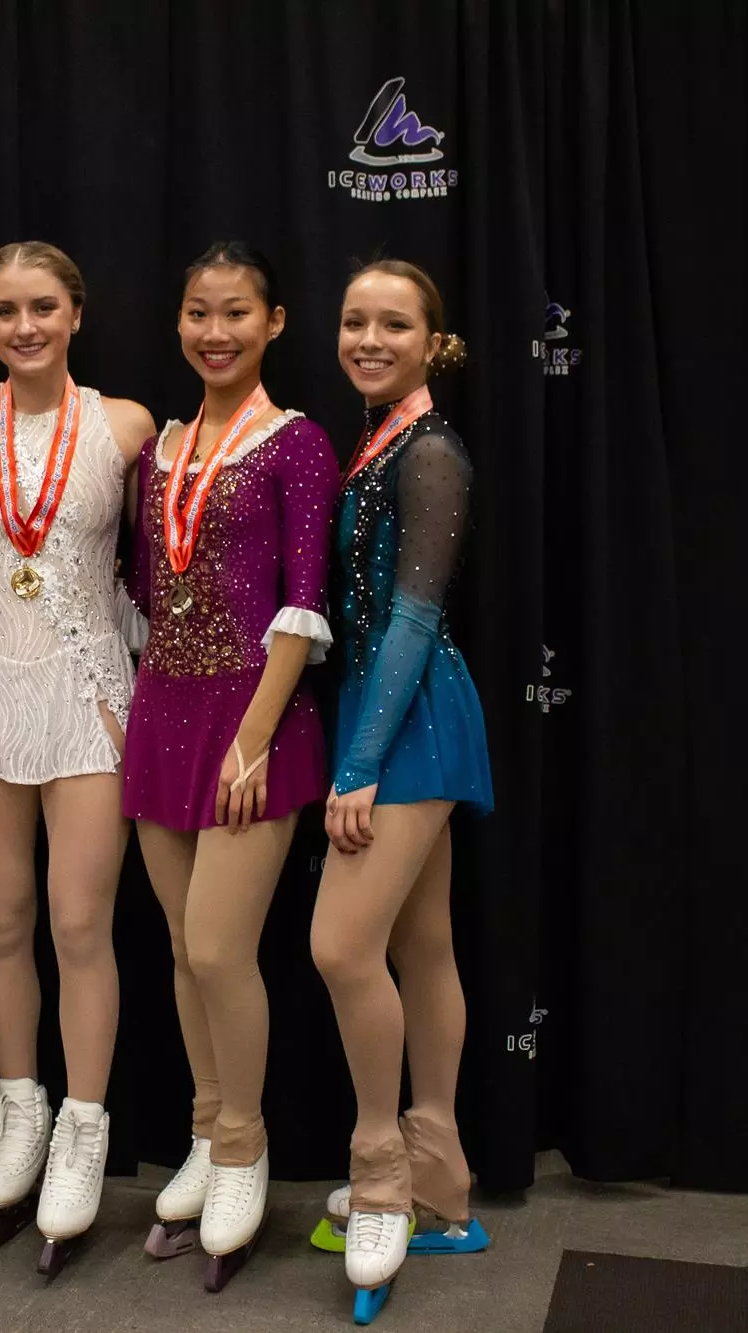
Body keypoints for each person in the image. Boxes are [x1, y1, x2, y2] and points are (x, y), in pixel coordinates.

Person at [0, 241, 153, 1267]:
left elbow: (148, 557)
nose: (23, 326)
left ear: (74, 313)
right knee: (4, 918)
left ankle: (84, 1127)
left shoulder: (122, 424)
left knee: (78, 922)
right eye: (3, 309)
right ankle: (18, 1106)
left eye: (42, 308)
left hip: (89, 691)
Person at [123, 240, 339, 1288]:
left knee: (218, 947)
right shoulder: (161, 447)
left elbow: (303, 604)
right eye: (198, 312)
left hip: (255, 718)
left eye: (236, 314)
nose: (215, 331)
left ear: (274, 322)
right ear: (177, 322)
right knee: (177, 943)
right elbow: (145, 581)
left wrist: (253, 738)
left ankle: (245, 1144)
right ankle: (205, 1132)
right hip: (161, 707)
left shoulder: (296, 444)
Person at [309, 259, 494, 1309]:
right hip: (392, 710)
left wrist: (359, 766)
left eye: (392, 324)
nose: (368, 338)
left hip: (409, 720)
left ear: (434, 343)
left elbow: (414, 619)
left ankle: (380, 1168)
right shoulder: (379, 437)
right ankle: (443, 1183)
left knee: (339, 945)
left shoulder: (428, 453)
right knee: (421, 945)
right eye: (353, 322)